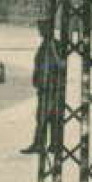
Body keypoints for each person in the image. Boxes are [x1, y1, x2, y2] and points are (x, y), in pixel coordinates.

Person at [23, 17, 62, 154]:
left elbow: (59, 64)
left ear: (48, 29)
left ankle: (44, 144)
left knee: (46, 116)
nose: (39, 31)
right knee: (46, 116)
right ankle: (50, 144)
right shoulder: (45, 44)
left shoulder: (53, 45)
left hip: (51, 87)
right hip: (45, 86)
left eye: (42, 29)